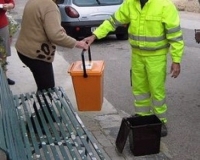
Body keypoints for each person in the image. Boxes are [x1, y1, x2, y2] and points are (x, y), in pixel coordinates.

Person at [84, 0, 184, 137]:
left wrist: (176, 60)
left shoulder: (165, 5)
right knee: (139, 89)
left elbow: (175, 36)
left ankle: (160, 121)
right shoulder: (130, 3)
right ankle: (142, 117)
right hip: (137, 56)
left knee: (156, 90)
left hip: (156, 57)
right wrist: (95, 35)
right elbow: (113, 21)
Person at [15, 0, 89, 92]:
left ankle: (39, 104)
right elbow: (55, 36)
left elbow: (39, 22)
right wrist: (77, 43)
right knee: (47, 90)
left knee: (43, 87)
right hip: (36, 54)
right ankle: (41, 106)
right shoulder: (50, 7)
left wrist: (58, 28)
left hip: (24, 49)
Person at [0, 0, 15, 85]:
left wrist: (9, 5)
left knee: (3, 53)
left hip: (2, 26)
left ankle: (4, 77)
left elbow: (12, 3)